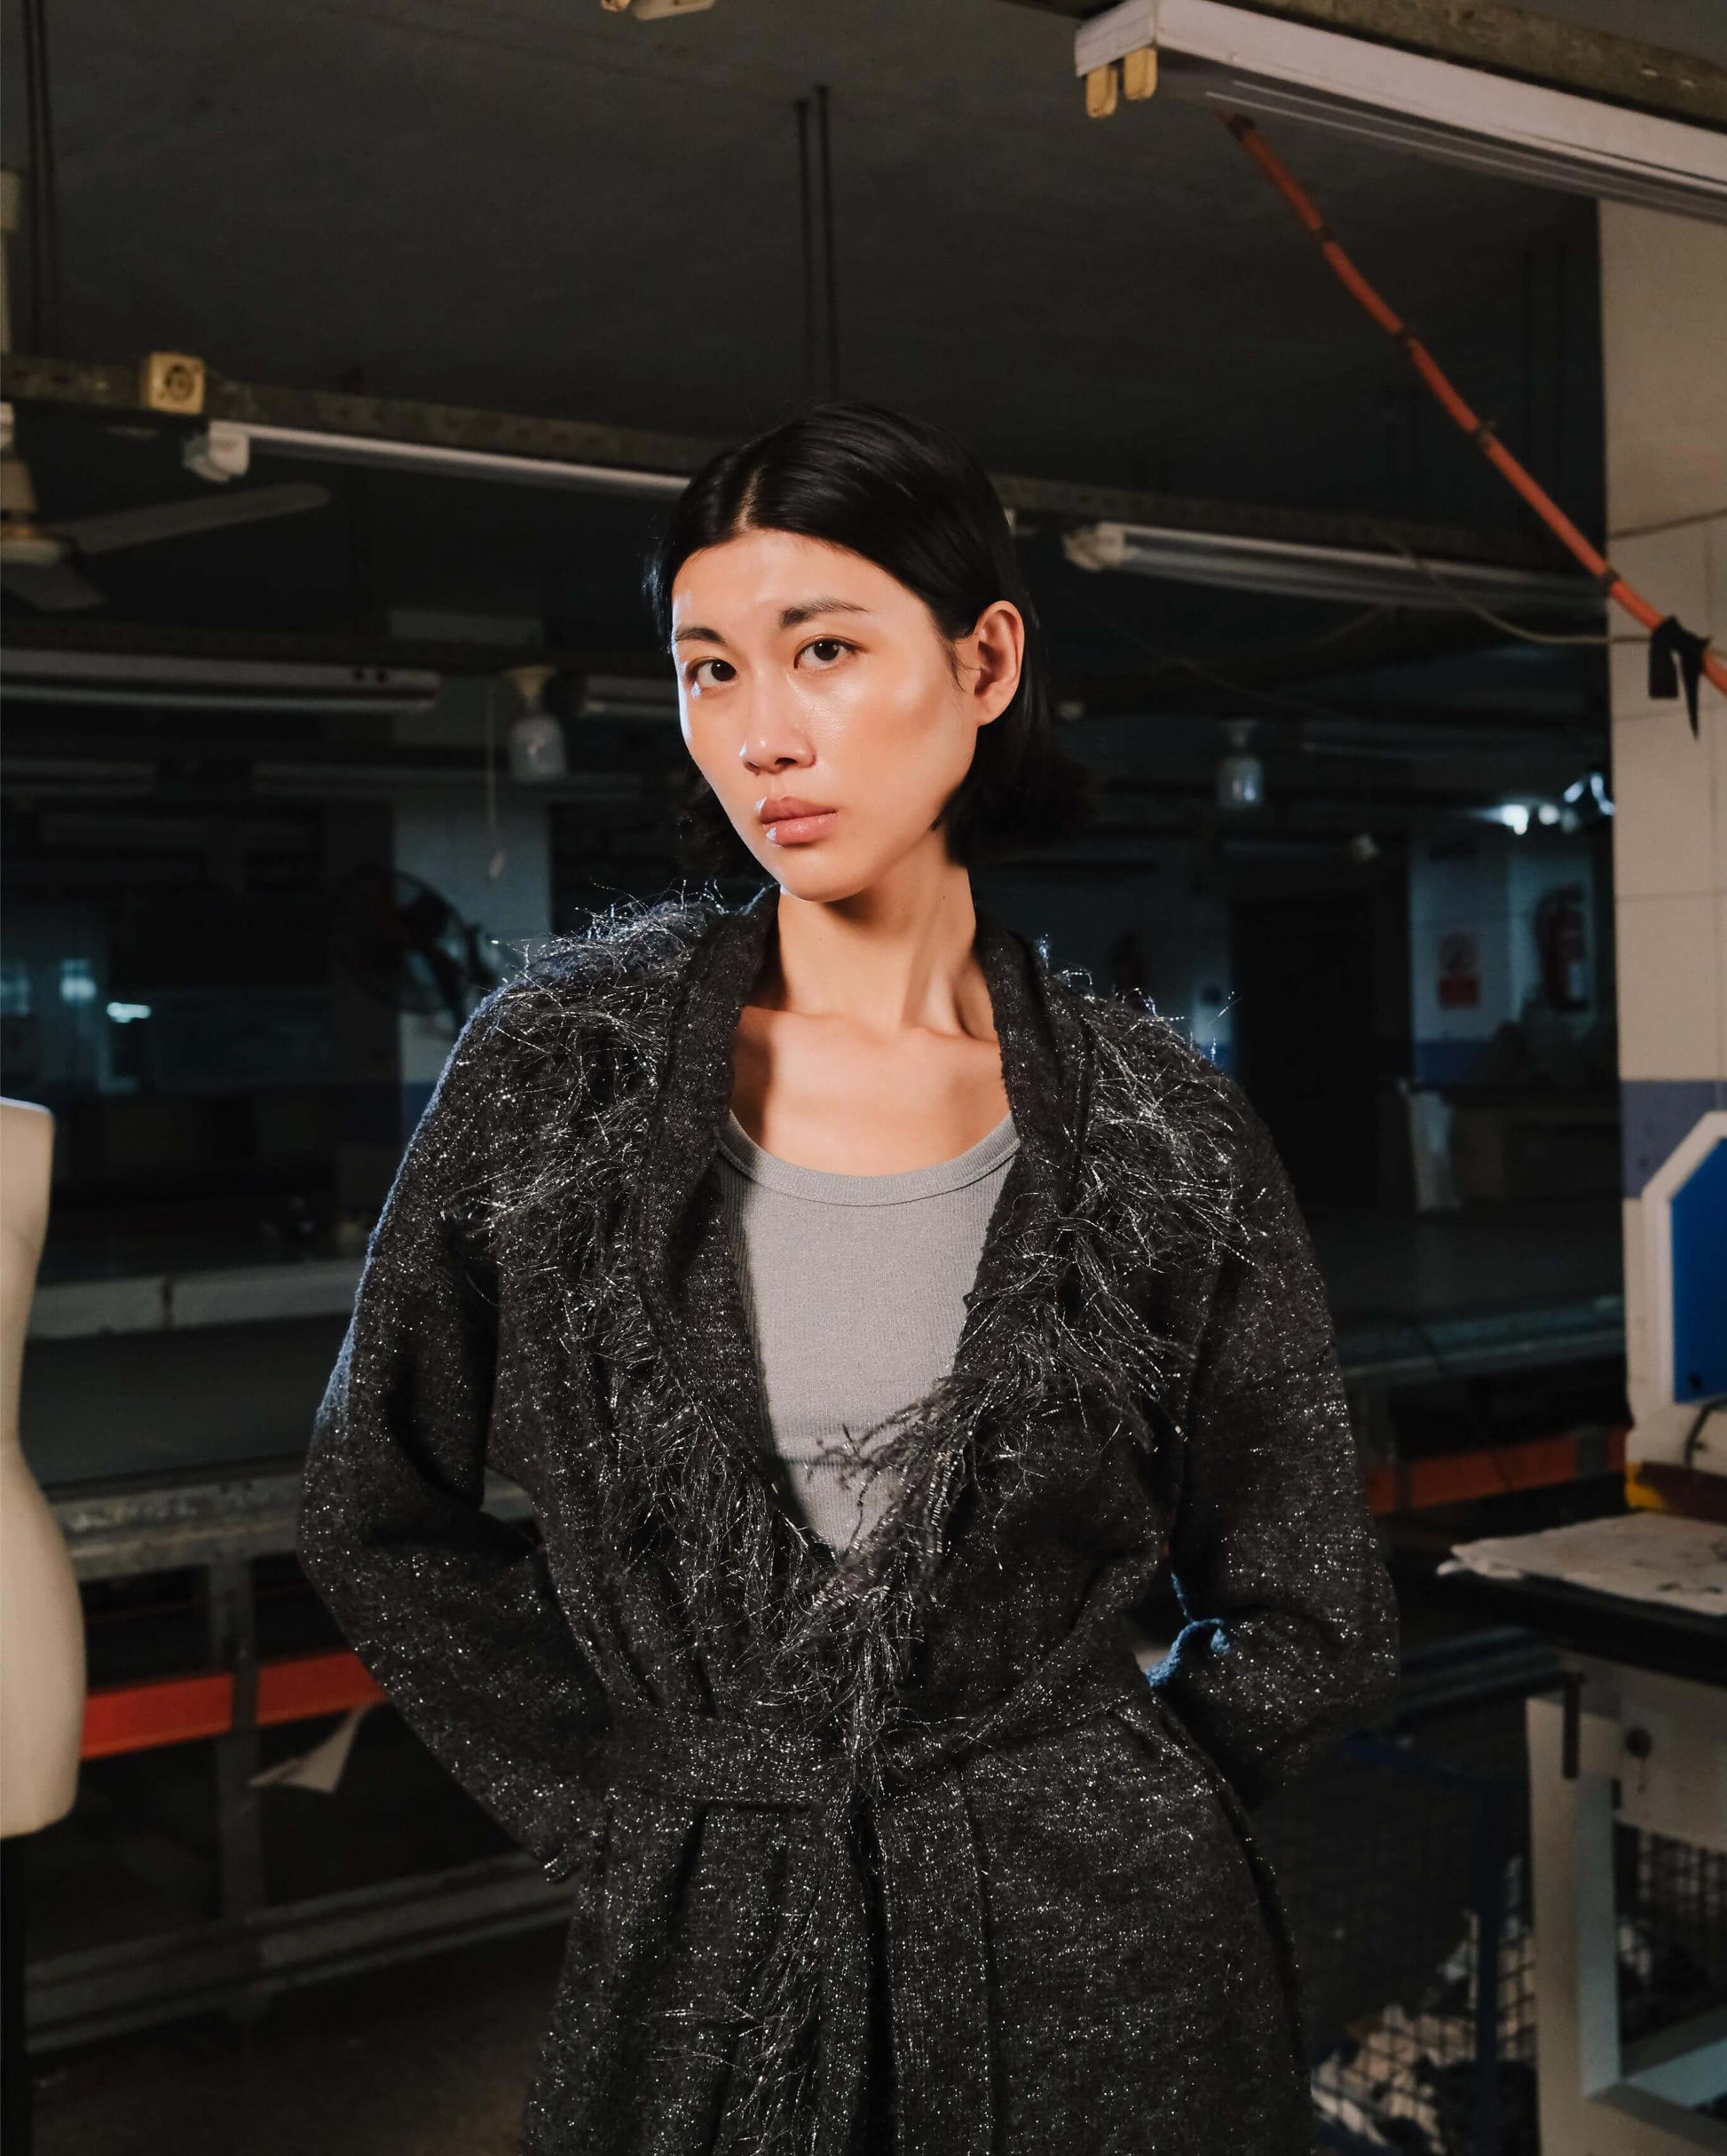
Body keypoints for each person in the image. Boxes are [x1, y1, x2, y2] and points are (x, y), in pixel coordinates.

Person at [296, 402, 1400, 2155]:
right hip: (710, 1948)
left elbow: (1308, 1597)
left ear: (982, 663)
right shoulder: (559, 1073)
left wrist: (1098, 1805)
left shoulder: (1160, 1132)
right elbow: (381, 1506)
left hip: (1110, 1969)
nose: (764, 733)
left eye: (823, 649)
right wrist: (638, 1807)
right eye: (709, 668)